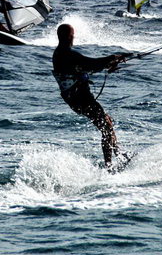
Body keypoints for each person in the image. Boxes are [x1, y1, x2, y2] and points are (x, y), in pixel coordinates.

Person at [52, 23, 128, 170]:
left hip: (76, 99)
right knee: (106, 128)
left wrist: (109, 64)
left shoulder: (61, 54)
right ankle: (109, 167)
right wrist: (112, 57)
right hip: (81, 99)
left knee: (107, 122)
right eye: (72, 35)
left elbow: (87, 67)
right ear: (69, 36)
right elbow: (91, 63)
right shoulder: (66, 53)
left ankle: (120, 156)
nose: (73, 37)